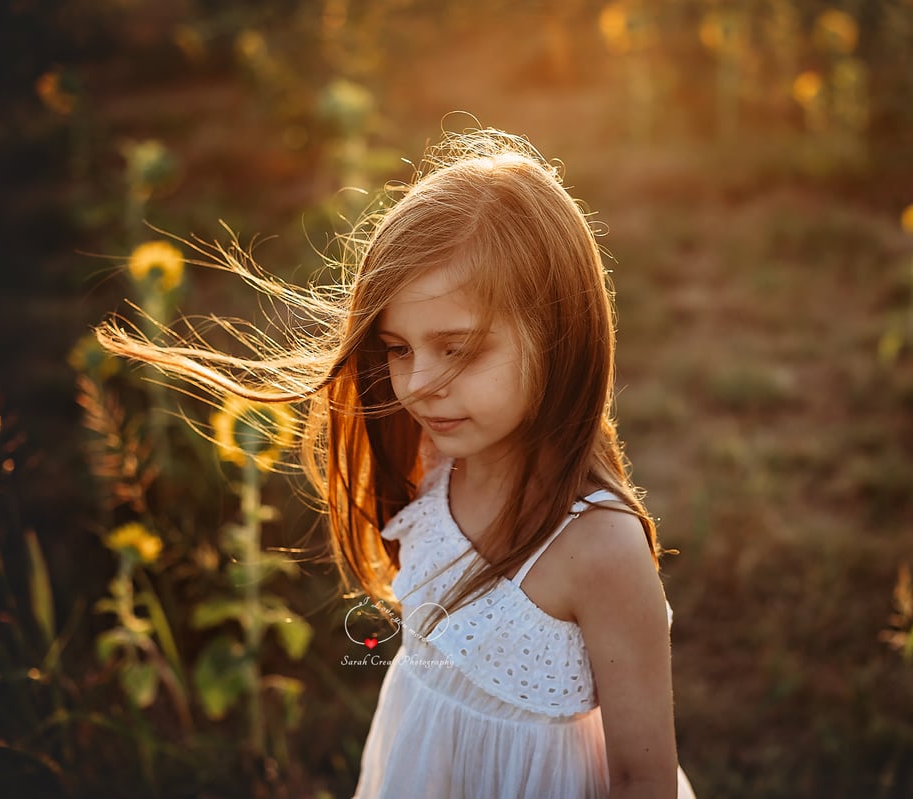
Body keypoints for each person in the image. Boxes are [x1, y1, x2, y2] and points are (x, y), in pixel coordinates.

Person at [97, 127, 696, 798]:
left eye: (457, 348)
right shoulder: (435, 459)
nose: (417, 386)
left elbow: (643, 779)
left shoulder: (599, 548)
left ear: (558, 337)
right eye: (398, 347)